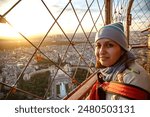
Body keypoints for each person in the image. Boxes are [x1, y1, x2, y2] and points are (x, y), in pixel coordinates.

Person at [87, 22, 150, 100]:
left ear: (122, 50)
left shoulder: (132, 79)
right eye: (98, 45)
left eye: (109, 45)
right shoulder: (111, 71)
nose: (101, 51)